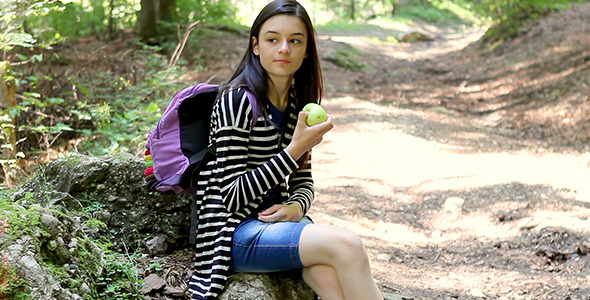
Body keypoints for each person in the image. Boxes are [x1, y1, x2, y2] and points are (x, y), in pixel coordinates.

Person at [187, 1, 383, 299]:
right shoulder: (237, 101)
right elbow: (231, 196)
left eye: (295, 41)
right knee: (348, 245)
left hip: (277, 225)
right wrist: (294, 150)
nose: (284, 49)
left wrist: (296, 207)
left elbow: (303, 181)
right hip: (234, 234)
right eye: (272, 39)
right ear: (255, 46)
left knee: (330, 276)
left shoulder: (298, 105)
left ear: (306, 51)